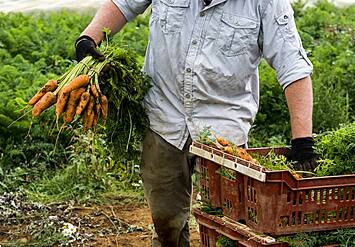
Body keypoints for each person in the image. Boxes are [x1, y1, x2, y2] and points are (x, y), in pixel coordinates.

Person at [75, 0, 317, 246]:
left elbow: (293, 67)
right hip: (164, 120)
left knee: (227, 226)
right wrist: (88, 39)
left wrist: (303, 141)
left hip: (224, 134)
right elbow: (123, 4)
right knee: (165, 223)